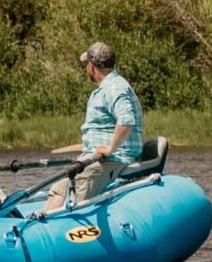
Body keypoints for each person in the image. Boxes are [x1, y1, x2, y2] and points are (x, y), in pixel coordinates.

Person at [47, 42, 143, 212]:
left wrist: (110, 148)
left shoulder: (113, 88)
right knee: (60, 187)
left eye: (86, 64)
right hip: (100, 158)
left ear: (92, 67)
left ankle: (51, 227)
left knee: (68, 189)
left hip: (113, 160)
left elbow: (126, 120)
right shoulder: (110, 86)